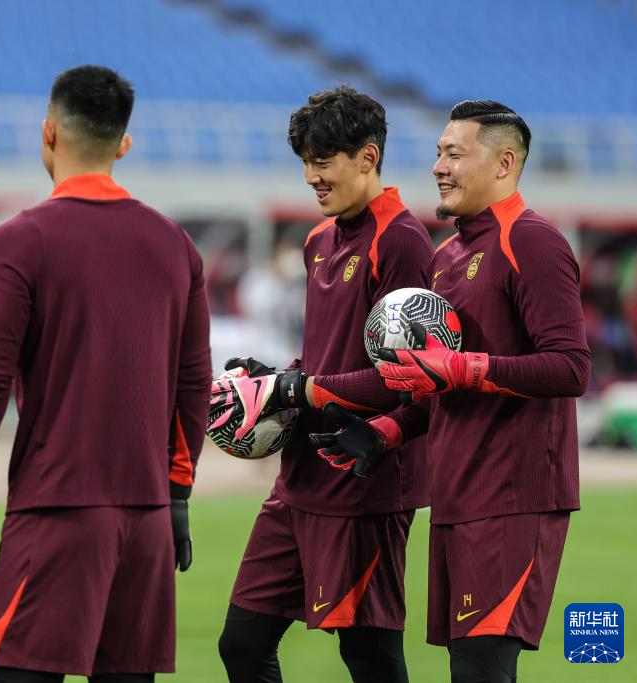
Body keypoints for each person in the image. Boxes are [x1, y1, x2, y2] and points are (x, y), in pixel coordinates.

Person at [310, 101, 590, 683]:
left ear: (505, 163)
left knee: (480, 672)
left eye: (455, 154)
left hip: (514, 496)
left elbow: (570, 367)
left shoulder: (532, 241)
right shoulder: (445, 257)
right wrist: (388, 431)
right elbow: (440, 383)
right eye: (438, 152)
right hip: (456, 496)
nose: (438, 166)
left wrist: (465, 368)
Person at [0, 65, 211, 682]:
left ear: (48, 133)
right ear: (124, 144)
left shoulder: (21, 238)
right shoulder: (176, 243)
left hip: (58, 506)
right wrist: (176, 493)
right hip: (148, 516)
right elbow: (194, 383)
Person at [214, 86, 433, 683]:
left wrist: (295, 390)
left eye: (322, 161)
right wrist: (275, 376)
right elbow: (322, 354)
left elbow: (409, 376)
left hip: (364, 481)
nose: (311, 176)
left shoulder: (402, 240)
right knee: (242, 644)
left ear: (367, 157)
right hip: (300, 480)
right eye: (305, 163)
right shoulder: (318, 240)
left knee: (369, 658)